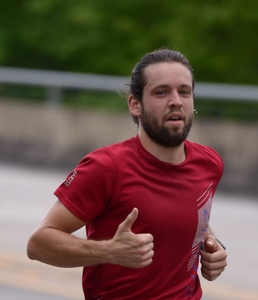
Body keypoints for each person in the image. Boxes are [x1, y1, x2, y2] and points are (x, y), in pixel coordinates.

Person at [27, 48, 227, 300]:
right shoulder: (106, 167)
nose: (176, 100)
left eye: (184, 91)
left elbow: (194, 212)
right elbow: (38, 244)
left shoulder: (209, 163)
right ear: (135, 104)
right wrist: (109, 251)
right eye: (161, 92)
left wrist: (213, 247)